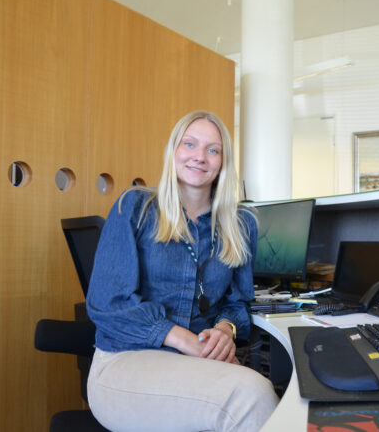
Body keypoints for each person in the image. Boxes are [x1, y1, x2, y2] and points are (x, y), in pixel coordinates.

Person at [85, 110, 279, 432]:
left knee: (261, 391)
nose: (199, 156)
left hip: (195, 361)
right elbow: (109, 302)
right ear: (173, 150)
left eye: (212, 149)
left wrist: (225, 331)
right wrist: (189, 342)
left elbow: (238, 302)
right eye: (189, 144)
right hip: (124, 359)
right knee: (251, 396)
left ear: (223, 162)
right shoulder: (135, 207)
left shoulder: (240, 224)